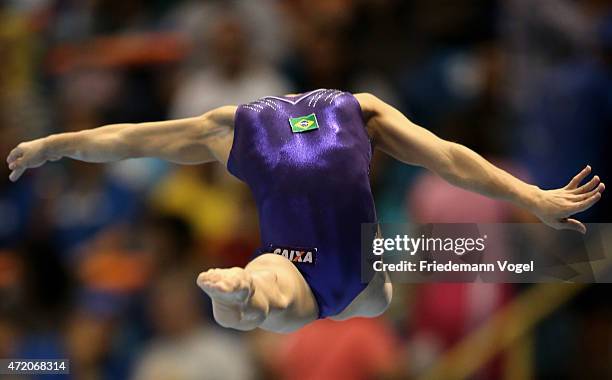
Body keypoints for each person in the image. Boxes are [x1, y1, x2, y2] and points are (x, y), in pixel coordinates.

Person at [6, 89, 605, 333]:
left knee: (282, 288)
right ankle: (238, 292)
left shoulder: (353, 112)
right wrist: (55, 144)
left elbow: (447, 157)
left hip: (360, 270)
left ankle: (243, 294)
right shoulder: (251, 124)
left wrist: (534, 199)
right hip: (330, 271)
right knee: (265, 290)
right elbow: (131, 136)